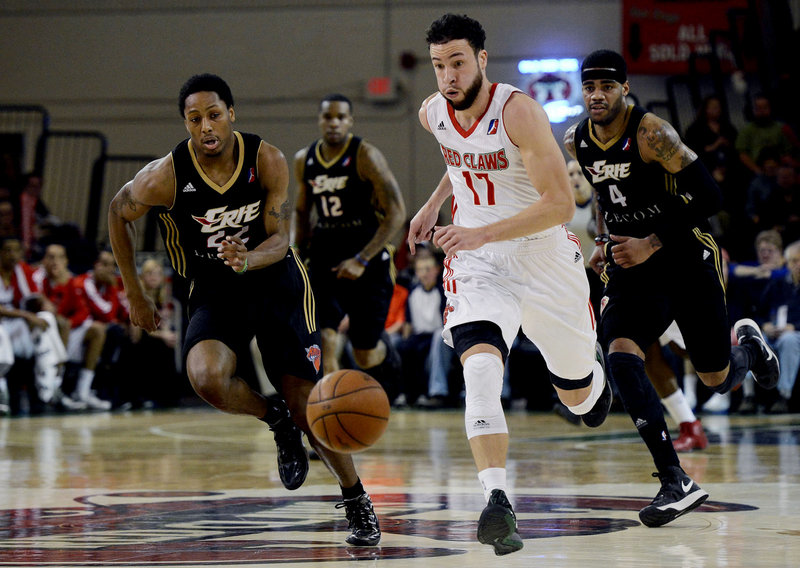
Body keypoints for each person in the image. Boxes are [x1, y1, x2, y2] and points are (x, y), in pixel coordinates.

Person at [107, 73, 380, 546]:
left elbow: (282, 237)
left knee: (309, 405)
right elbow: (117, 211)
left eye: (214, 114)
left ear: (231, 114)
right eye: (194, 119)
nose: (206, 126)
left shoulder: (266, 159)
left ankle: (355, 498)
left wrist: (249, 258)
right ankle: (272, 418)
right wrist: (134, 291)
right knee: (207, 377)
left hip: (277, 283)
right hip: (215, 288)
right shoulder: (165, 175)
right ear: (186, 124)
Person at [408, 14, 610, 555]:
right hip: (480, 266)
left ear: (481, 59)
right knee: (478, 367)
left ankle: (589, 379)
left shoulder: (518, 111)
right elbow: (460, 159)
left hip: (545, 260)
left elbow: (561, 204)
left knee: (582, 401)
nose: (447, 76)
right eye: (438, 65)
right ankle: (496, 499)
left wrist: (479, 231)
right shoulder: (433, 112)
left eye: (456, 62)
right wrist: (432, 207)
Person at [565, 49, 780, 527]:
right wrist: (606, 240)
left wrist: (651, 240)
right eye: (589, 86)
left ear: (624, 88)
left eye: (607, 86)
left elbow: (710, 196)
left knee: (716, 379)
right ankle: (674, 479)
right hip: (633, 265)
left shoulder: (652, 133)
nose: (596, 95)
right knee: (620, 354)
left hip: (684, 255)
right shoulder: (576, 139)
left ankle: (748, 347)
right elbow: (605, 196)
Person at [292, 94, 406, 397]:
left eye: (341, 117)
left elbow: (396, 212)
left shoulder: (365, 155)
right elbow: (302, 212)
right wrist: (296, 252)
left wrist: (363, 258)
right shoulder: (305, 159)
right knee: (324, 338)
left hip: (367, 255)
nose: (334, 123)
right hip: (326, 255)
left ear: (350, 121)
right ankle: (332, 408)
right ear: (319, 120)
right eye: (328, 117)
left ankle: (390, 368)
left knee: (364, 352)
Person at [35, 243, 112, 410]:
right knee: (60, 323)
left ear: (66, 261)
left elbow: (83, 312)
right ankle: (55, 387)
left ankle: (82, 391)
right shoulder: (37, 278)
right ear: (43, 260)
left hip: (62, 333)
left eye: (60, 257)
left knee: (97, 329)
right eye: (51, 257)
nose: (55, 262)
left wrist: (70, 323)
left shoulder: (70, 281)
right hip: (38, 333)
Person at [755, 239, 800, 413]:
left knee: (789, 340)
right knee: (755, 340)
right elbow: (759, 312)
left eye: (799, 260)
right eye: (793, 261)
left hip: (794, 334)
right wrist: (765, 325)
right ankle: (750, 395)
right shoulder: (777, 284)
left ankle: (784, 395)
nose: (797, 265)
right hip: (775, 332)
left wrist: (794, 327)